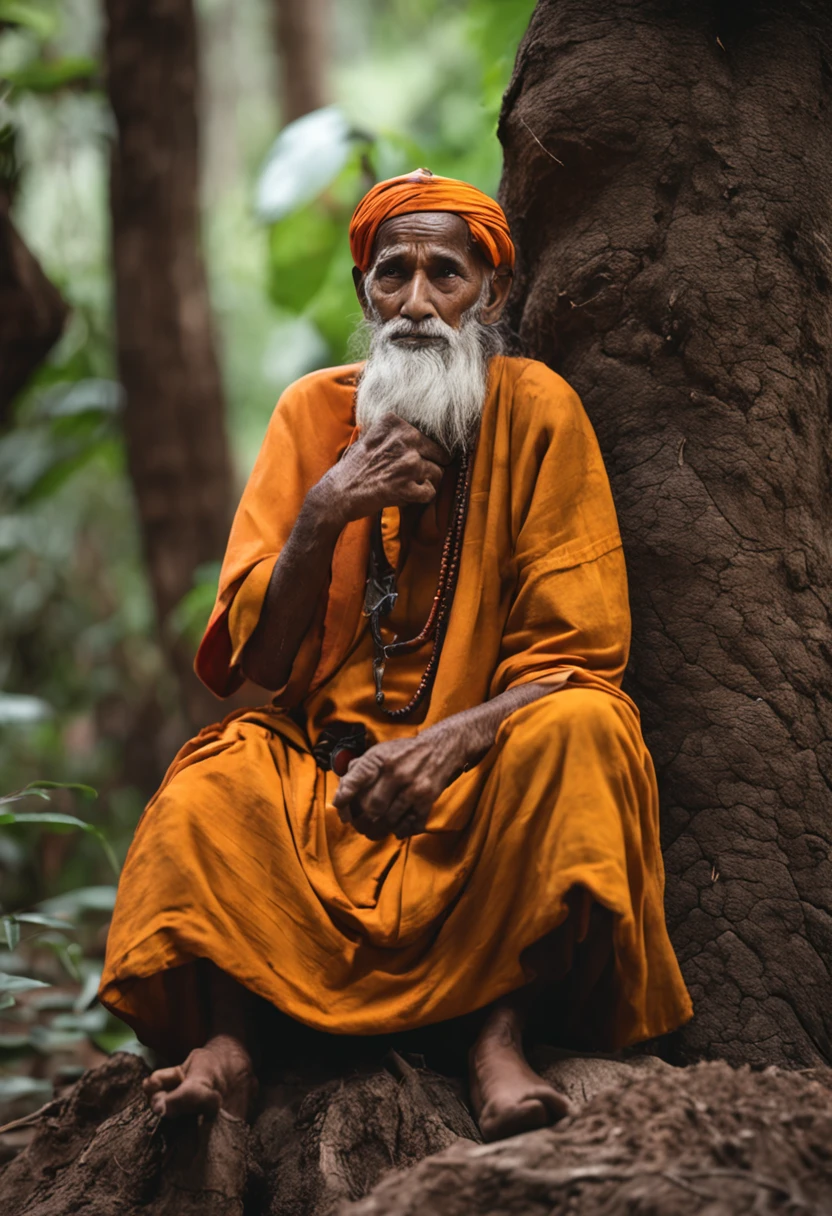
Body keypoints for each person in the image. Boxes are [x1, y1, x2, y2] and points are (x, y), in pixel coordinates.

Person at [100, 169, 692, 1142]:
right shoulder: (310, 415)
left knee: (589, 730)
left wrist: (445, 745)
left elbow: (581, 657)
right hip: (330, 797)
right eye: (392, 275)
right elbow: (254, 655)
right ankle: (230, 1045)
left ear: (490, 295)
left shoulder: (538, 410)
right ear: (363, 292)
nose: (416, 303)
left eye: (444, 276)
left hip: (483, 780)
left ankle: (498, 1042)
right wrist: (327, 508)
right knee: (215, 776)